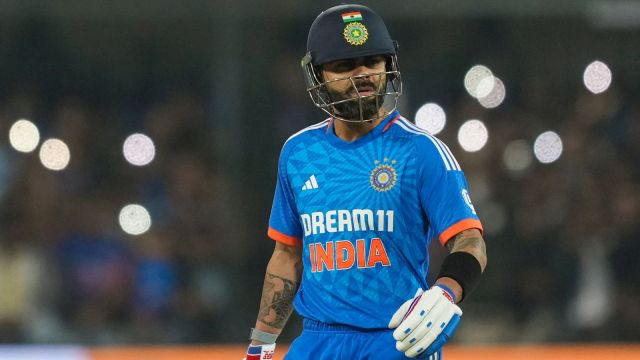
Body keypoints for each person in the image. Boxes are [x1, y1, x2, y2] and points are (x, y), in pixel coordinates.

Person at [246, 4, 487, 359]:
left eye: (372, 62)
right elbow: (287, 255)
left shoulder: (421, 151)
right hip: (317, 341)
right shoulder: (298, 153)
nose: (362, 74)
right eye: (344, 66)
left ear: (388, 66)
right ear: (318, 74)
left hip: (396, 340)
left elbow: (470, 242)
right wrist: (262, 343)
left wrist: (446, 292)